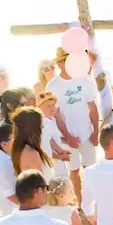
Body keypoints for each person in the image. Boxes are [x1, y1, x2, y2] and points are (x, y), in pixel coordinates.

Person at [46, 48, 101, 199]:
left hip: (87, 134)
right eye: (65, 60)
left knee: (91, 169)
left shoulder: (85, 79)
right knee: (74, 170)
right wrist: (68, 137)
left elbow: (93, 108)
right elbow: (55, 115)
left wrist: (96, 132)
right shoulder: (52, 86)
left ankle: (93, 200)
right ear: (59, 64)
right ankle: (80, 202)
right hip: (67, 139)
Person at [10, 106, 55, 181]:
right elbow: (40, 184)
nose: (43, 127)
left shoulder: (19, 148)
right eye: (40, 125)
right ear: (33, 128)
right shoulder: (31, 153)